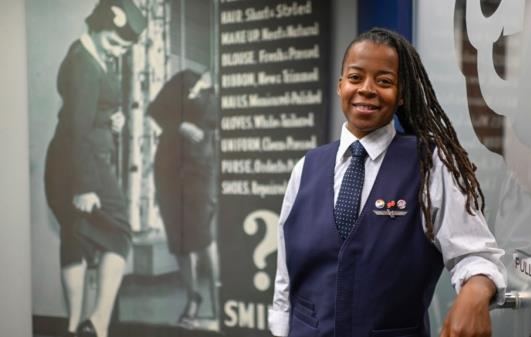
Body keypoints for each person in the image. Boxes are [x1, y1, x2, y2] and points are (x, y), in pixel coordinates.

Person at [268, 28, 507, 337]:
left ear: (402, 94)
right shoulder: (306, 167)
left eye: (384, 81)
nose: (367, 89)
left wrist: (475, 292)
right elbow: (286, 274)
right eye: (355, 78)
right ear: (341, 86)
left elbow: (475, 255)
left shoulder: (430, 165)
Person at [44, 1, 146, 337]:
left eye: (123, 47)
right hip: (82, 162)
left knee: (76, 238)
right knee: (119, 232)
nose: (117, 51)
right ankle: (98, 324)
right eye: (113, 42)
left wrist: (111, 119)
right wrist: (84, 185)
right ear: (96, 25)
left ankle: (74, 328)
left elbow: (85, 113)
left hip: (67, 159)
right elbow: (78, 127)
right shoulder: (84, 64)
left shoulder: (84, 54)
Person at [148, 69, 220, 330]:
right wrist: (179, 124)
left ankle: (220, 305)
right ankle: (193, 300)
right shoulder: (183, 79)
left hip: (200, 170)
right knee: (178, 239)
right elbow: (154, 109)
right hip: (168, 168)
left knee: (202, 236)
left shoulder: (223, 92)